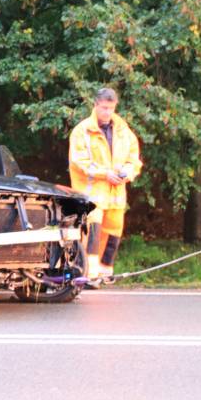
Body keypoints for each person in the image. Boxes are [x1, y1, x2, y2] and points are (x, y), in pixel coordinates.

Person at [68, 87, 142, 281]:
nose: (107, 112)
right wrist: (105, 174)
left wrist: (127, 172)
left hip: (115, 195)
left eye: (111, 108)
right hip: (91, 195)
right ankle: (88, 275)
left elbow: (133, 159)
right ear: (95, 105)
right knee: (91, 235)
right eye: (104, 108)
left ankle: (105, 273)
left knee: (113, 234)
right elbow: (79, 161)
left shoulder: (123, 131)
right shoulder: (82, 131)